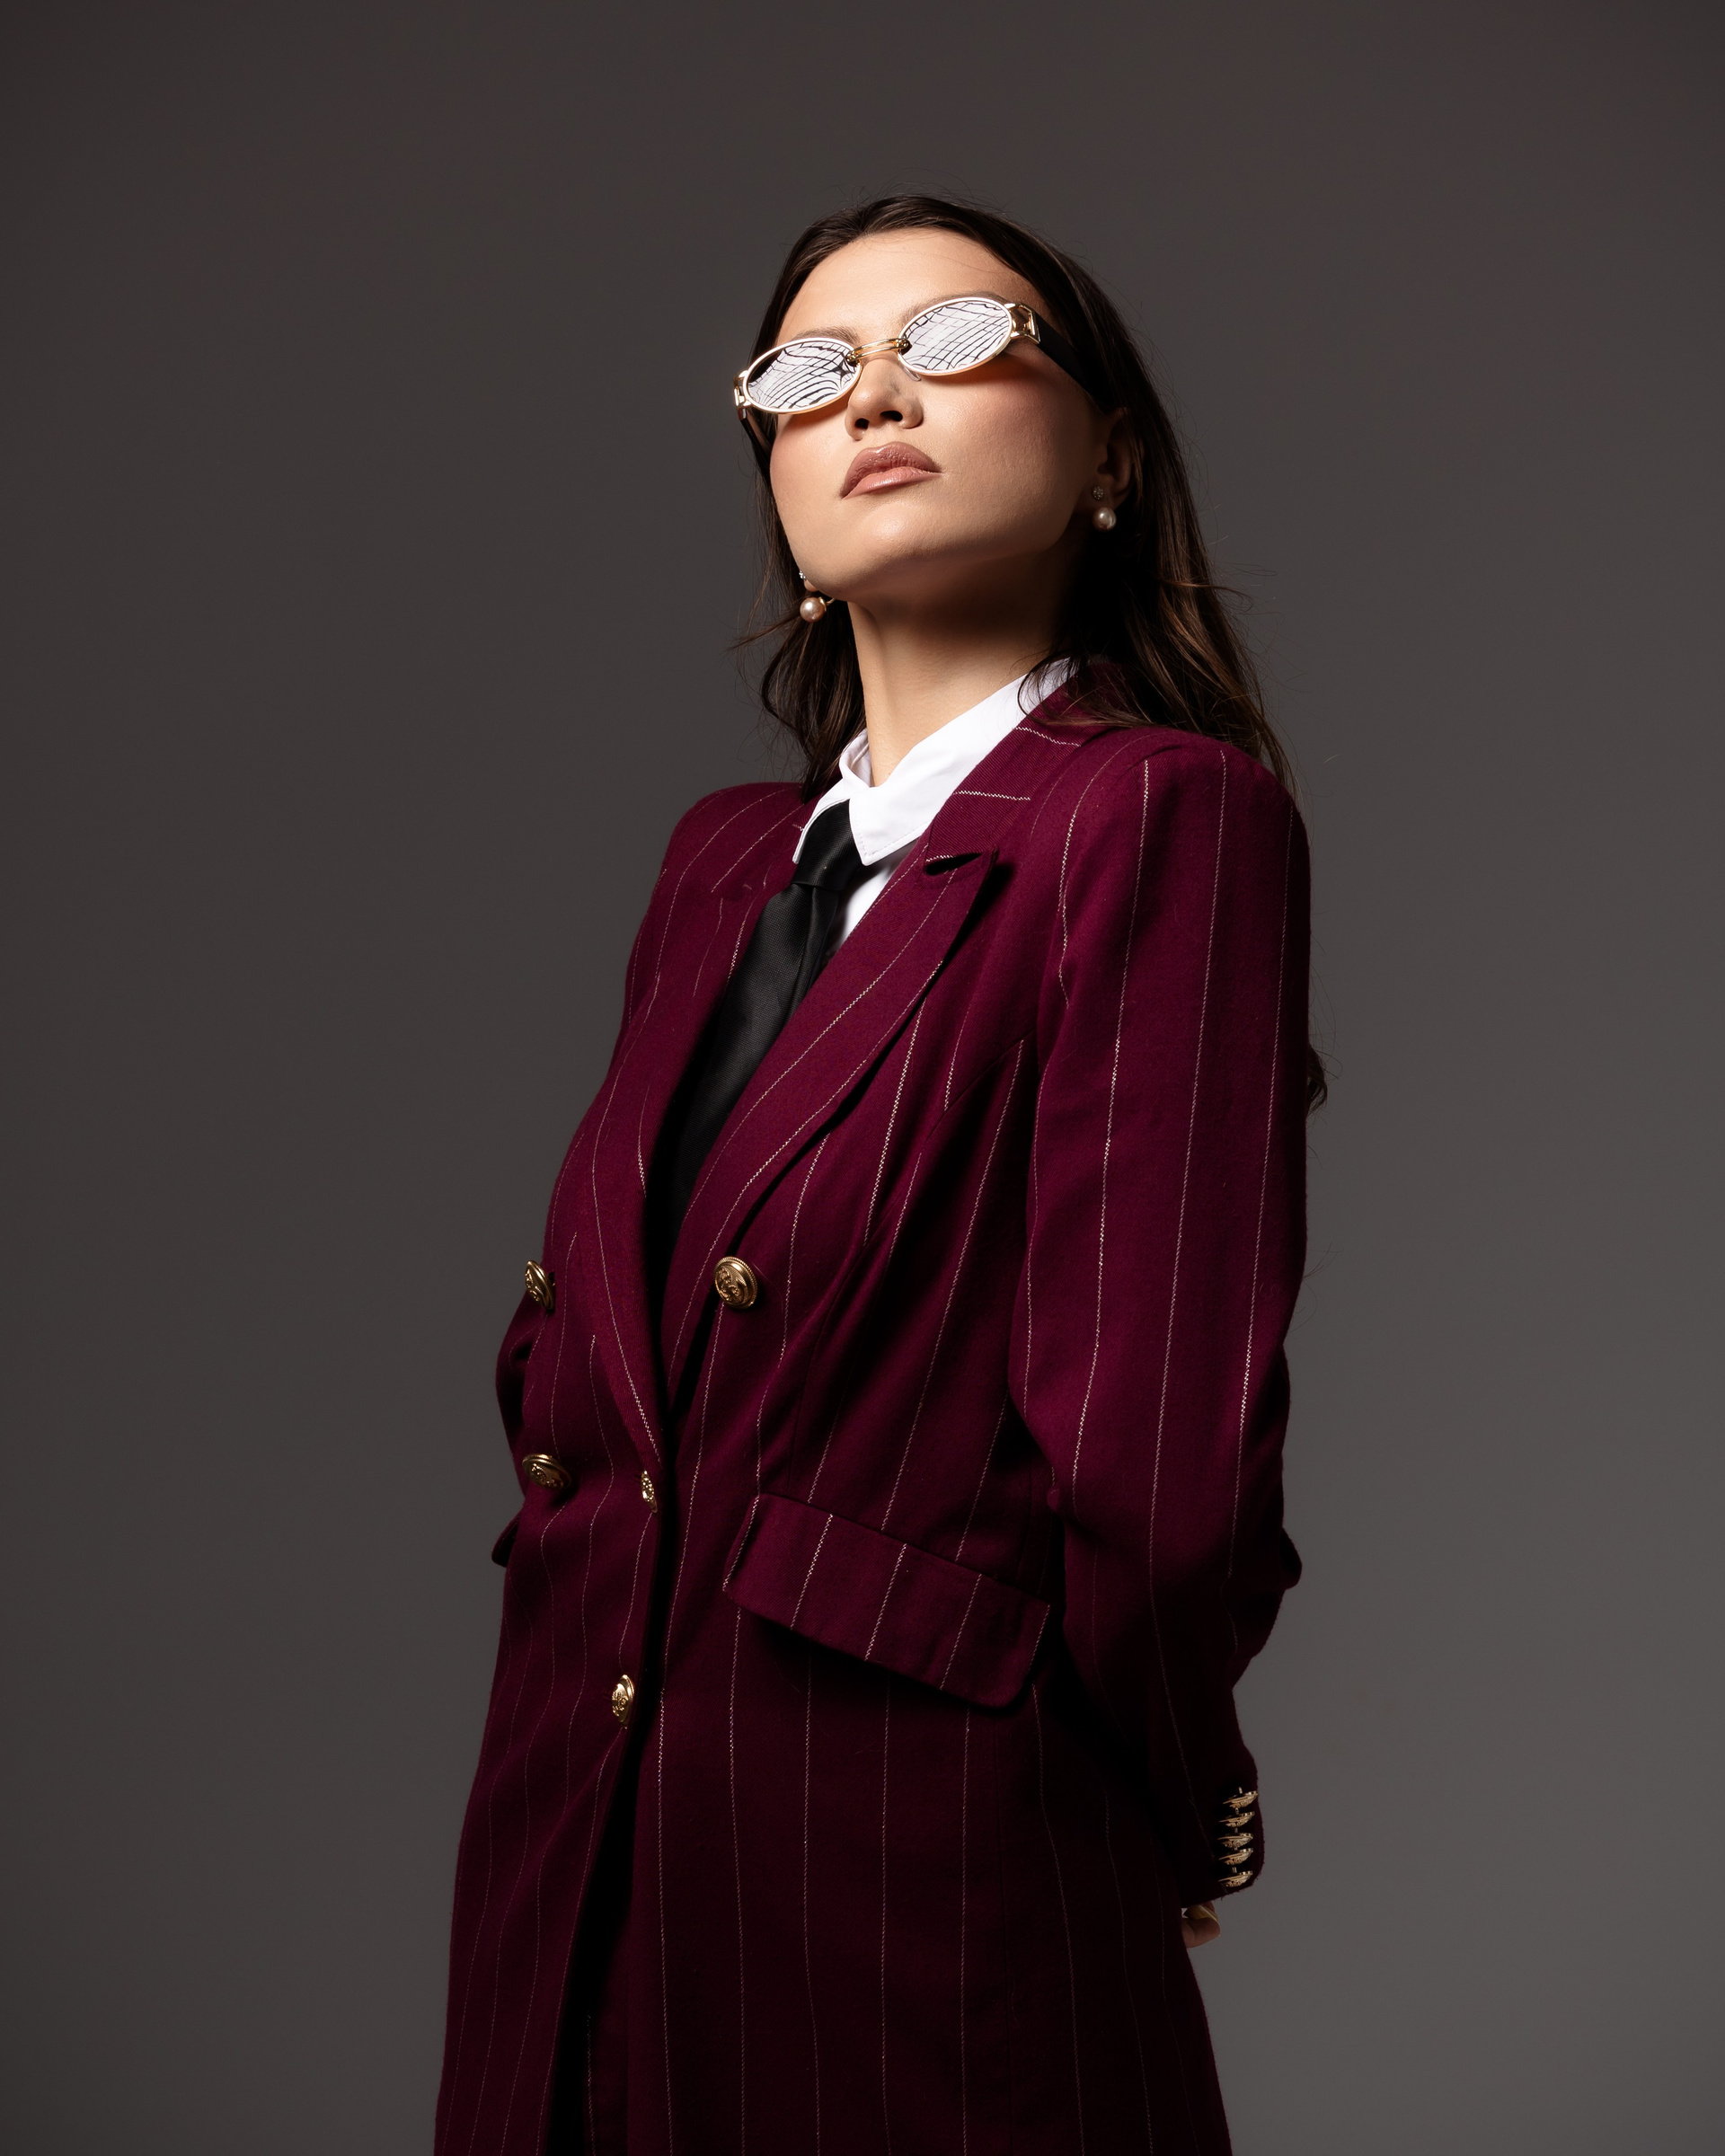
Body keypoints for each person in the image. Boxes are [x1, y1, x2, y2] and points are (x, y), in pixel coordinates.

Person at [434, 194, 1318, 2156]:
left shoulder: (1161, 816)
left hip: (906, 1855)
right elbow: (588, 1359)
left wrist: (1175, 1783)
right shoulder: (722, 865)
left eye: (959, 340)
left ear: (1109, 458)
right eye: (812, 370)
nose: (877, 396)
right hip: (576, 1821)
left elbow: (1157, 1461)